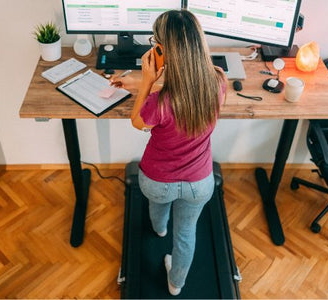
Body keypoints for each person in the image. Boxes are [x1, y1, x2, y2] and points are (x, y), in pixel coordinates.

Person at [111, 10, 227, 296]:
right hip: (199, 184)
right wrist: (143, 84)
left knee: (158, 206)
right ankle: (176, 284)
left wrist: (147, 80)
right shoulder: (218, 82)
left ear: (162, 50)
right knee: (187, 233)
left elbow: (138, 121)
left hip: (157, 182)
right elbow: (189, 86)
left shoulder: (158, 102)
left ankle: (159, 229)